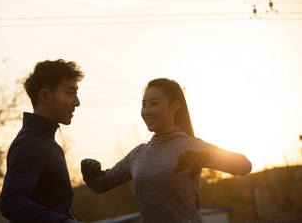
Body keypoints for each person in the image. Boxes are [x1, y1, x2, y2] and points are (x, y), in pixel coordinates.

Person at [81, 78, 252, 223]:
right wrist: (90, 172)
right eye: (144, 105)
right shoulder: (138, 154)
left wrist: (204, 156)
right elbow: (102, 184)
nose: (147, 111)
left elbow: (243, 165)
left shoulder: (190, 145)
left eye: (154, 104)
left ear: (175, 106)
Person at [0, 59, 84, 223]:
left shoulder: (48, 143)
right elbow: (10, 201)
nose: (77, 102)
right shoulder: (29, 143)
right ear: (44, 95)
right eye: (70, 93)